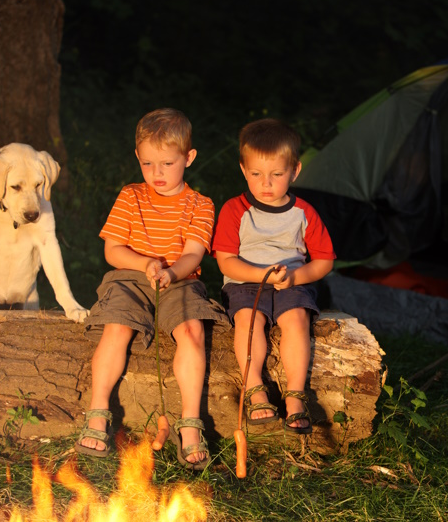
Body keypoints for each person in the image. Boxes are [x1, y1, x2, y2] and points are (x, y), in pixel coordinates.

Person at [77, 108, 227, 469]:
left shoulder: (200, 204)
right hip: (131, 277)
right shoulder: (130, 197)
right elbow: (112, 251)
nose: (156, 173)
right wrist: (144, 263)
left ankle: (190, 424)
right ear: (137, 158)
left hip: (180, 280)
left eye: (167, 163)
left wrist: (172, 273)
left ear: (188, 158)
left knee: (192, 331)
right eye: (147, 164)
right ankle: (98, 412)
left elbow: (193, 253)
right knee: (116, 327)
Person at [212, 118, 335, 434]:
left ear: (294, 170)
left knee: (296, 319)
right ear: (243, 170)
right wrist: (259, 275)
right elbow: (225, 261)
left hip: (291, 279)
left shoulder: (303, 213)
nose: (265, 183)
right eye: (256, 174)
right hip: (246, 280)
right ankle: (255, 389)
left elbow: (324, 261)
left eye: (276, 175)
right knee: (248, 320)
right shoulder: (235, 210)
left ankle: (295, 395)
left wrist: (295, 278)